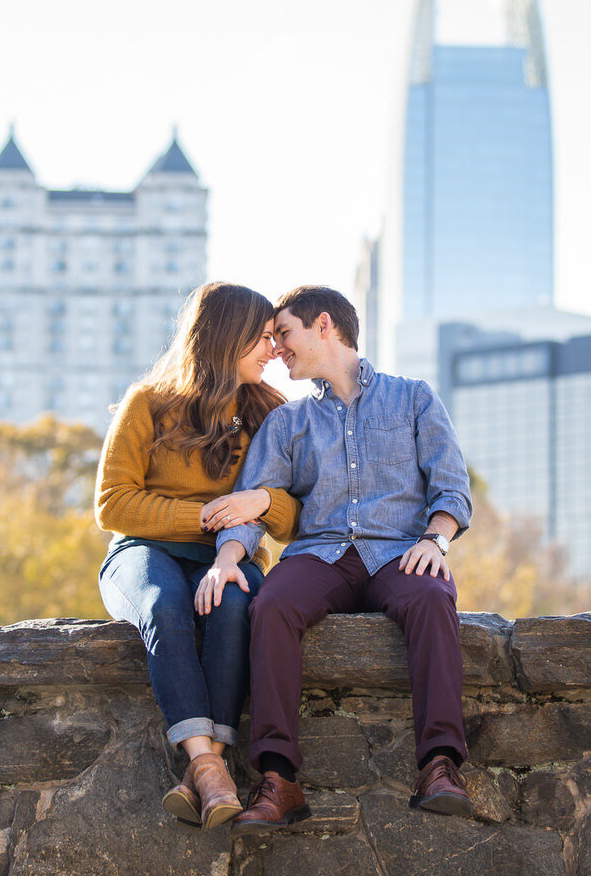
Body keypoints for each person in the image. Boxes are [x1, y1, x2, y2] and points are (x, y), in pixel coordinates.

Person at [212, 285, 475, 831]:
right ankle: (279, 780)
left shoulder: (414, 398)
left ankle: (441, 766)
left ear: (324, 325)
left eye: (284, 334)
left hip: (400, 552)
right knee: (273, 604)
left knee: (432, 597)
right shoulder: (287, 422)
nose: (278, 348)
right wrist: (230, 557)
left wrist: (436, 540)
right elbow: (251, 505)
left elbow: (452, 489)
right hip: (319, 555)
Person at [95, 281, 299, 830]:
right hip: (143, 551)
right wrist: (211, 514)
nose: (273, 349)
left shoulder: (270, 414)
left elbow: (296, 513)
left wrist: (258, 503)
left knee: (233, 608)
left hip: (231, 558)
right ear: (225, 337)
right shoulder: (148, 404)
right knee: (165, 605)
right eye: (261, 337)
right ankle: (211, 765)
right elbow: (113, 505)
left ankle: (204, 774)